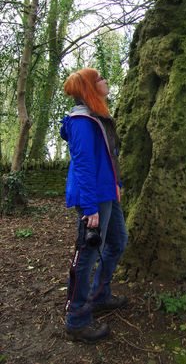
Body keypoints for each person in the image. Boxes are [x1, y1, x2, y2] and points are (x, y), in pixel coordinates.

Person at [60, 67, 128, 343]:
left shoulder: (97, 116)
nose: (105, 80)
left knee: (118, 241)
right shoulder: (80, 122)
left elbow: (106, 158)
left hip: (106, 194)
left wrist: (115, 187)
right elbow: (84, 166)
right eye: (99, 78)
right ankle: (76, 319)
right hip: (93, 200)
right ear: (90, 87)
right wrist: (89, 209)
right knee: (87, 256)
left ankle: (100, 296)